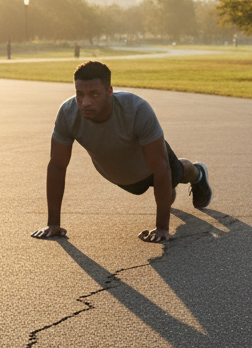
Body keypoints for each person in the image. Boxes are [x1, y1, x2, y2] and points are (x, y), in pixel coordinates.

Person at [32, 61, 212, 243]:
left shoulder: (137, 109)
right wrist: (53, 224)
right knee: (167, 193)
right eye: (80, 94)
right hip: (124, 176)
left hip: (152, 162)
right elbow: (57, 166)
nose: (85, 102)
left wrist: (162, 228)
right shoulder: (67, 113)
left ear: (109, 91)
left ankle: (198, 174)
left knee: (176, 174)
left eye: (94, 94)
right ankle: (168, 191)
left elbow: (160, 167)